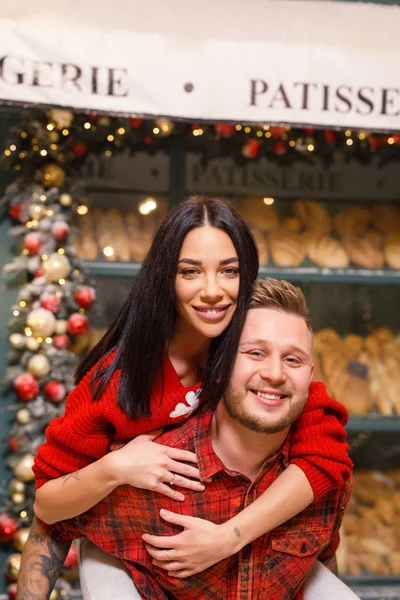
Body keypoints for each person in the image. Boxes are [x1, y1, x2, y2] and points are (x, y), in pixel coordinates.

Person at [18, 199, 351, 598]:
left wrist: (229, 537)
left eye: (229, 271)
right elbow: (49, 509)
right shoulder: (123, 380)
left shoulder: (254, 357)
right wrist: (116, 467)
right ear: (166, 278)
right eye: (190, 271)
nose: (213, 292)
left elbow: (326, 460)